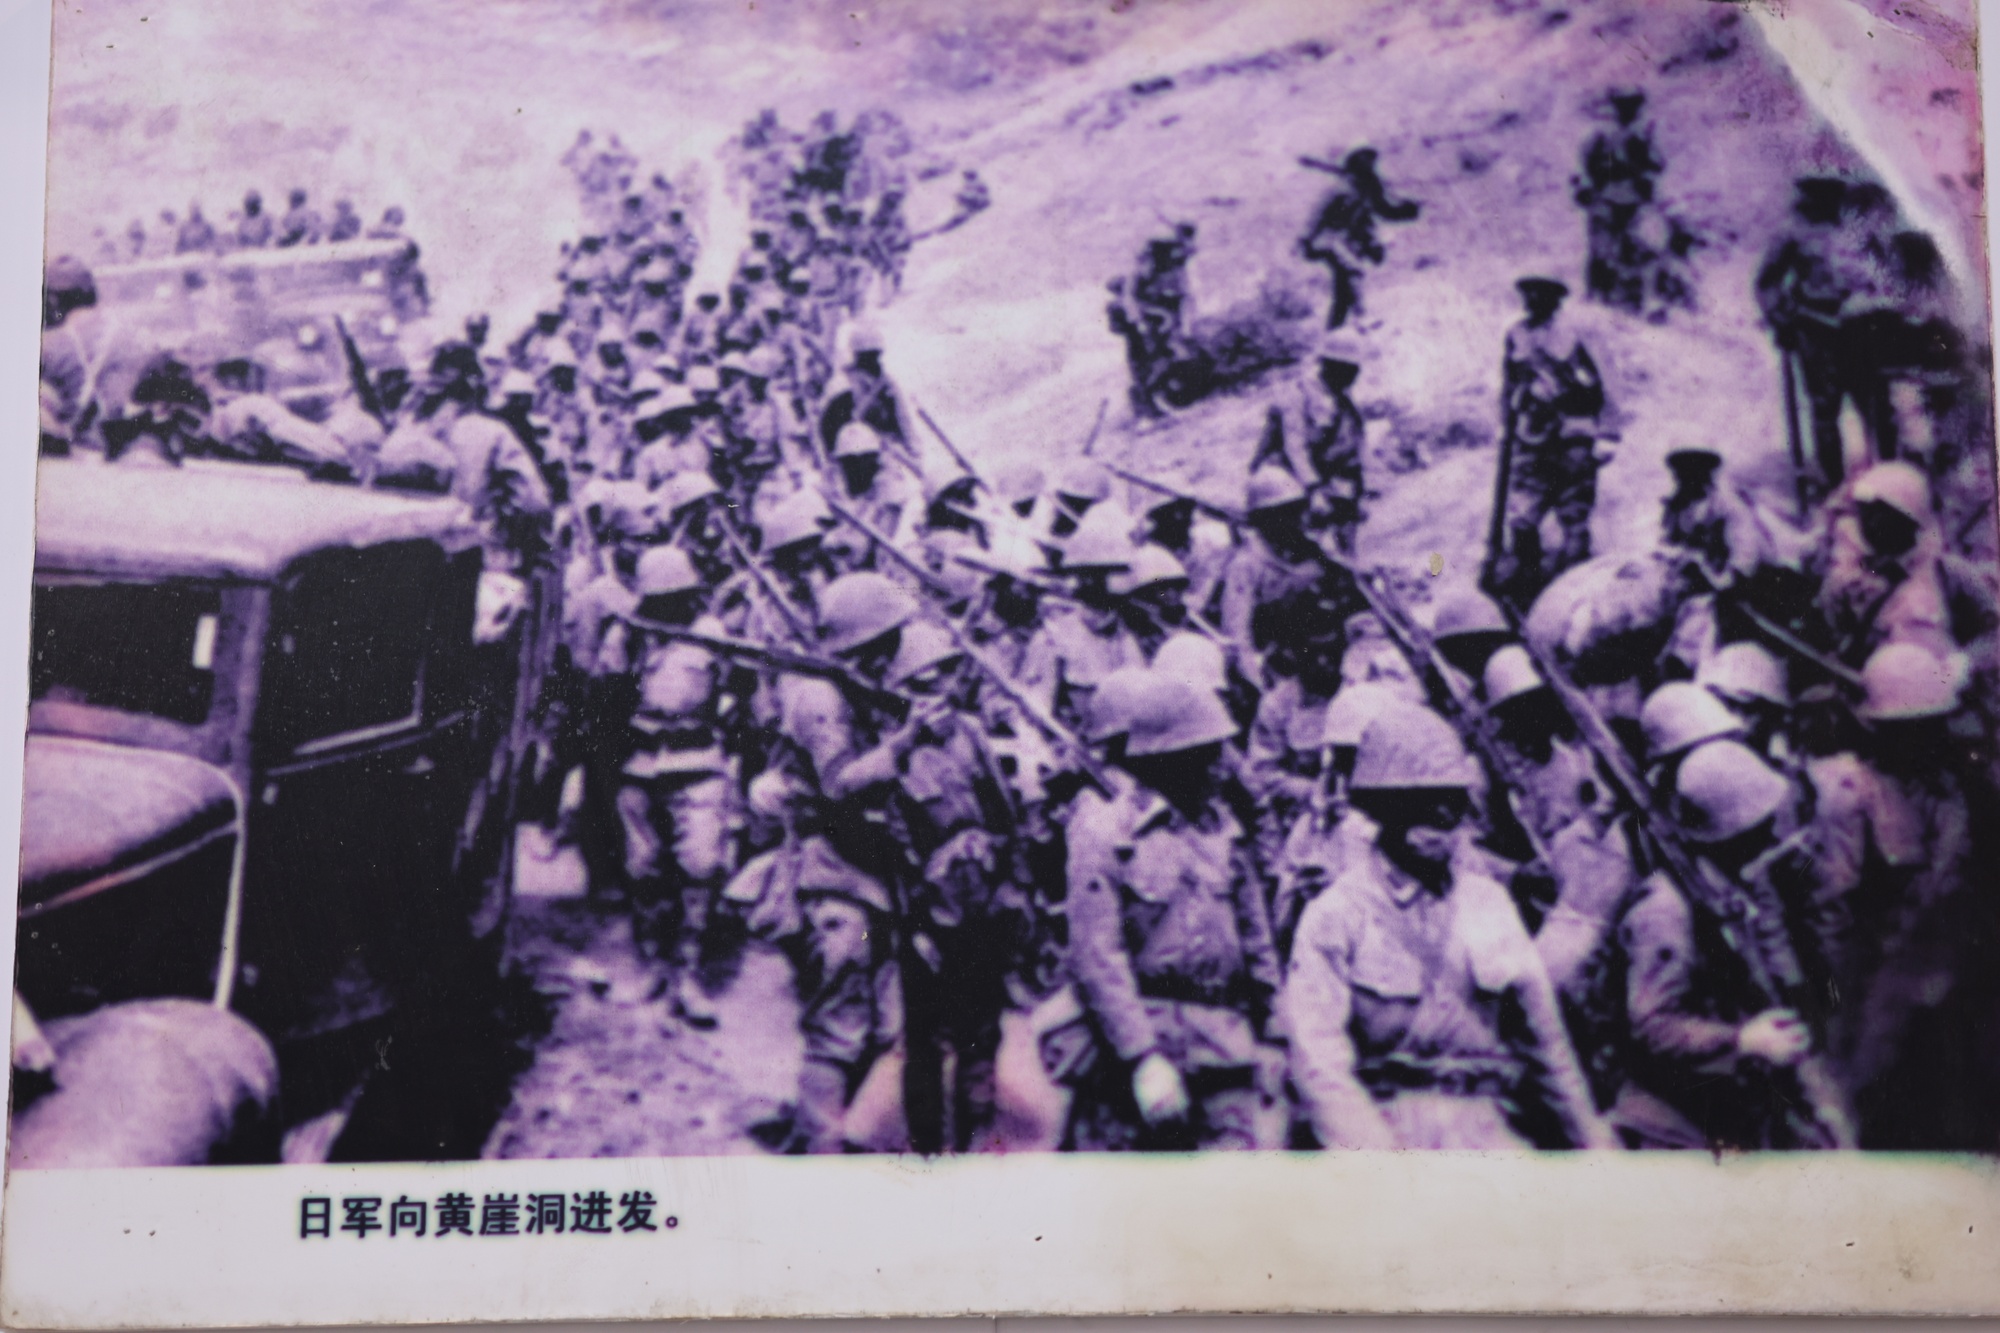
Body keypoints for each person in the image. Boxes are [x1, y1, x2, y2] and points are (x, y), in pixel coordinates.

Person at [1283, 700, 1615, 1148]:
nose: (1442, 819)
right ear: (1385, 808)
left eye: (1452, 802)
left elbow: (1546, 1045)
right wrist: (1375, 1161)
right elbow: (1319, 1063)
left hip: (1492, 1129)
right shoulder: (1337, 914)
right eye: (1423, 803)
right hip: (1390, 1131)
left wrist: (1593, 1144)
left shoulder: (1487, 902)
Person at [1063, 671, 1285, 1150]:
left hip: (1225, 1041)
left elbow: (1257, 940)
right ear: (1168, 761)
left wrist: (1276, 1032)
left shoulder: (1224, 830)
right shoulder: (1107, 832)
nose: (1221, 769)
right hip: (1142, 1042)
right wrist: (1141, 1056)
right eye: (1206, 756)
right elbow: (1097, 955)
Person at [1489, 276, 1608, 602]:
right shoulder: (1516, 334)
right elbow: (1510, 384)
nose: (1530, 297)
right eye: (1527, 291)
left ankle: (1576, 593)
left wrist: (1608, 434)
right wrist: (1506, 425)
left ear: (1555, 298)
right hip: (1531, 438)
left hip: (1573, 438)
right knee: (1522, 518)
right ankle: (1526, 591)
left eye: (1539, 292)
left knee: (1574, 519)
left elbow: (1606, 384)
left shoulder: (1576, 334)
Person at [1297, 147, 1419, 330]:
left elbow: (1383, 210)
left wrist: (1405, 212)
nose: (1372, 169)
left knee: (1344, 287)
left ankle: (1336, 328)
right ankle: (1360, 318)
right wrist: (1308, 238)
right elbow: (1323, 216)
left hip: (1346, 241)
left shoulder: (1366, 188)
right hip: (1333, 240)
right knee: (1352, 273)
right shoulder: (1345, 191)